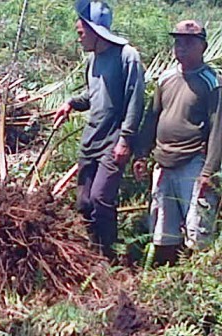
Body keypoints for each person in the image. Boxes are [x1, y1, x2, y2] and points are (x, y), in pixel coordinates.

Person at [54, 0, 145, 258]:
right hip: (90, 140)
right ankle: (94, 253)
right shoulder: (92, 60)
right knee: (83, 203)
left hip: (113, 140)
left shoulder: (127, 57)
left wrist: (126, 139)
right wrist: (71, 103)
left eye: (81, 33)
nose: (79, 38)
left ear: (95, 31)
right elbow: (94, 96)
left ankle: (109, 257)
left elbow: (135, 100)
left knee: (100, 199)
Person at [133, 20, 222, 265]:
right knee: (163, 229)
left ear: (202, 46)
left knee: (197, 230)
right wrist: (141, 153)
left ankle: (194, 283)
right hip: (164, 161)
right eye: (178, 42)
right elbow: (152, 117)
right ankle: (166, 278)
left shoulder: (211, 82)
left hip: (193, 163)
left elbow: (218, 130)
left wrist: (208, 172)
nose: (181, 47)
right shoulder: (166, 78)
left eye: (188, 42)